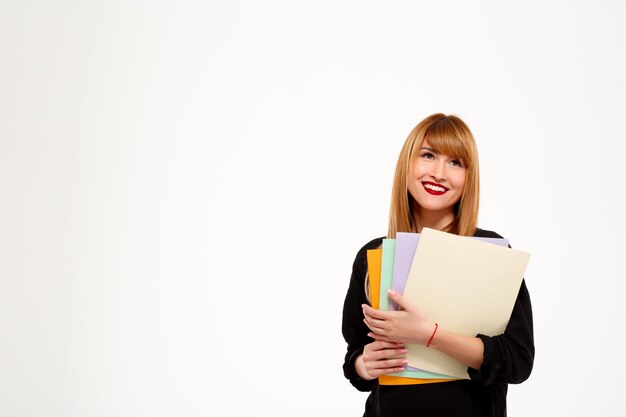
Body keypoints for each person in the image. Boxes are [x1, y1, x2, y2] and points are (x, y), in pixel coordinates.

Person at [341, 113, 534, 417]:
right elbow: (354, 354)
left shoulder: (491, 253)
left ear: (469, 177)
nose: (440, 173)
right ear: (407, 164)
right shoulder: (373, 254)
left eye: (456, 162)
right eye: (428, 155)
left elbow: (518, 361)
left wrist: (430, 335)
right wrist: (364, 365)